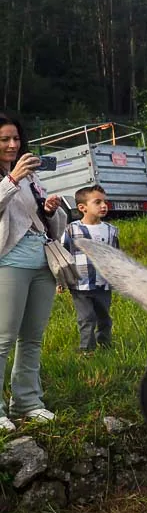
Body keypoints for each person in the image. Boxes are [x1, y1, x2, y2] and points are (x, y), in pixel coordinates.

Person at [0, 112, 66, 430]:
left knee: (32, 339)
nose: (13, 145)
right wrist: (11, 179)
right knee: (2, 339)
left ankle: (27, 401)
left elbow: (39, 218)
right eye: (4, 140)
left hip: (41, 261)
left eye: (16, 139)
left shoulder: (30, 177)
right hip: (8, 263)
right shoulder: (16, 175)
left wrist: (50, 208)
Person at [61, 185, 119, 352]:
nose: (104, 205)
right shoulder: (71, 230)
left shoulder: (111, 230)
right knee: (86, 318)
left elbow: (116, 256)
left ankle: (105, 345)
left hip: (103, 283)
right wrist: (61, 279)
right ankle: (87, 349)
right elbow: (63, 255)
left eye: (105, 202)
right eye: (98, 202)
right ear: (82, 208)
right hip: (80, 283)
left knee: (104, 317)